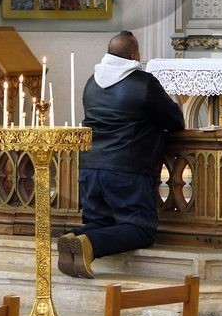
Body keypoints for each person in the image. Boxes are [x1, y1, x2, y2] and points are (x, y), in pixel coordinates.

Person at [57, 31, 185, 278]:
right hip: (128, 170)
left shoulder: (92, 83)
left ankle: (75, 238)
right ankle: (87, 244)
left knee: (100, 224)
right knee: (141, 230)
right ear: (135, 55)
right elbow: (175, 120)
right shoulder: (143, 83)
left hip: (89, 168)